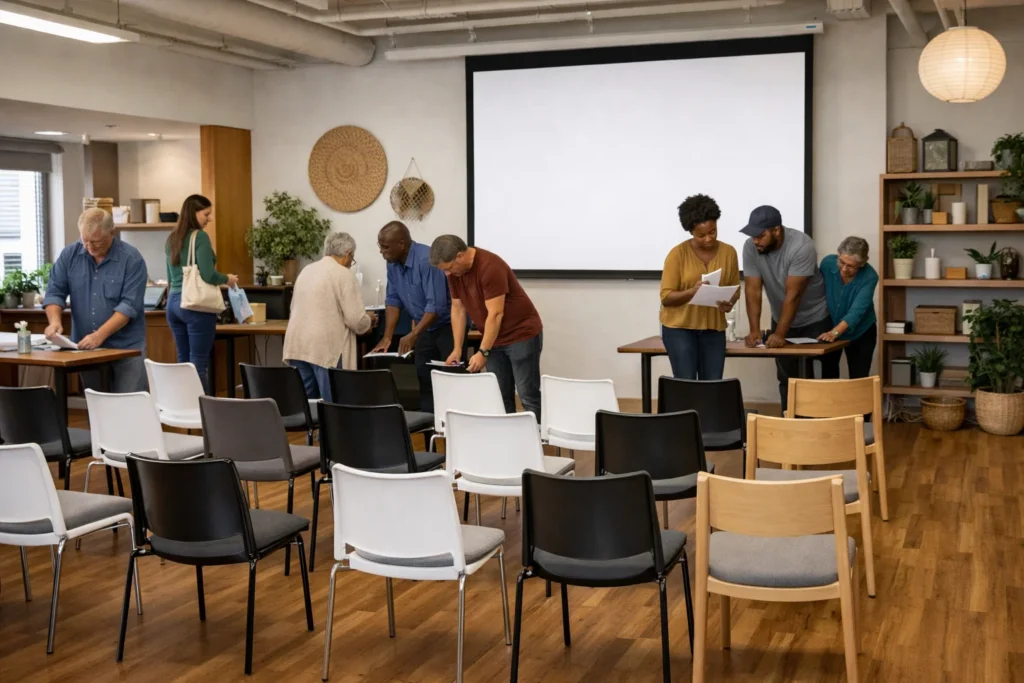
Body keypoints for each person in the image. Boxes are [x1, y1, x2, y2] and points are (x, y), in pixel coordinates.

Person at [429, 235, 543, 420]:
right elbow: (458, 309)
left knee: (526, 394)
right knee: (499, 395)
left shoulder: (490, 267)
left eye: (448, 268)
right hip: (493, 338)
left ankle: (535, 436)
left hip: (521, 334)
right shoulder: (454, 273)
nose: (447, 274)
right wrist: (457, 349)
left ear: (460, 256)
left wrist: (483, 352)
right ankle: (506, 435)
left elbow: (496, 314)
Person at [43, 208, 148, 392]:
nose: (89, 247)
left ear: (112, 233)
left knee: (129, 403)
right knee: (96, 403)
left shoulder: (131, 259)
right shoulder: (70, 255)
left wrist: (99, 335)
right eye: (85, 240)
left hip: (126, 348)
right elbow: (54, 292)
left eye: (96, 242)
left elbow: (128, 307)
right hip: (86, 349)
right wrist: (54, 322)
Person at [741, 205, 830, 408]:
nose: (755, 241)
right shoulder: (750, 247)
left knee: (818, 378)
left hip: (815, 318)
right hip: (780, 316)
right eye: (752, 236)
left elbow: (794, 295)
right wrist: (754, 330)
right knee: (786, 376)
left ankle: (820, 422)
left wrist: (781, 333)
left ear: (776, 230)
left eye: (760, 236)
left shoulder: (801, 246)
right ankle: (787, 420)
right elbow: (753, 291)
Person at [283, 232, 377, 402]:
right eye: (352, 258)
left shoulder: (306, 270)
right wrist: (369, 319)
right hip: (326, 349)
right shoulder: (343, 274)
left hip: (297, 345)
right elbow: (356, 321)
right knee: (334, 404)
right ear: (348, 254)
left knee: (306, 405)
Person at [371, 221, 453, 413]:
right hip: (424, 328)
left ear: (401, 244)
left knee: (450, 381)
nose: (381, 252)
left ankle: (454, 427)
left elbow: (435, 306)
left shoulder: (426, 260)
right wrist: (387, 337)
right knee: (424, 380)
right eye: (380, 246)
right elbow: (393, 300)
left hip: (447, 327)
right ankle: (428, 424)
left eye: (385, 247)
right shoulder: (392, 263)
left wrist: (414, 334)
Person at [660, 194, 740, 380]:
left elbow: (735, 289)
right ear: (690, 232)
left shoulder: (729, 252)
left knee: (712, 384)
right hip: (679, 329)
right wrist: (692, 292)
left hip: (713, 330)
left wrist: (729, 302)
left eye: (713, 232)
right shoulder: (677, 254)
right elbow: (666, 297)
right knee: (686, 383)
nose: (708, 239)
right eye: (701, 235)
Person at [164, 195, 238, 394]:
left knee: (183, 361)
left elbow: (170, 277)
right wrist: (227, 279)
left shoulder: (172, 238)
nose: (209, 219)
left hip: (173, 304)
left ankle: (184, 406)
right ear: (193, 213)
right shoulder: (200, 237)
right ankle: (200, 409)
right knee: (198, 363)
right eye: (206, 214)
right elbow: (208, 274)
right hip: (194, 306)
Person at [817, 236, 879, 379]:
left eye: (851, 266)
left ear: (863, 263)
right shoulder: (827, 264)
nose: (844, 269)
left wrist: (835, 333)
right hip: (830, 326)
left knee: (859, 377)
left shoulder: (870, 277)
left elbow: (856, 312)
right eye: (841, 262)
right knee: (828, 375)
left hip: (861, 331)